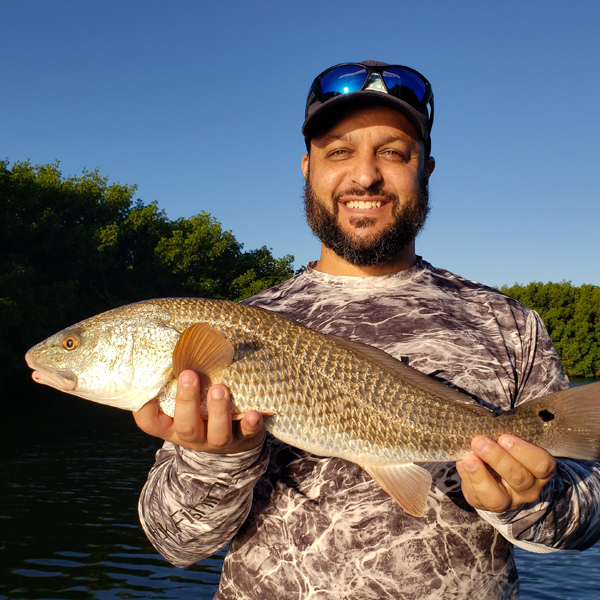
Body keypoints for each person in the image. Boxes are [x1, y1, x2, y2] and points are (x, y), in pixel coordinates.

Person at [134, 61, 600, 599]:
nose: (364, 176)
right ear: (307, 167)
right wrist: (215, 460)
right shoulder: (236, 329)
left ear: (426, 168)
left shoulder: (510, 324)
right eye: (339, 151)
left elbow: (586, 516)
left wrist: (530, 503)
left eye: (394, 152)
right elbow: (176, 542)